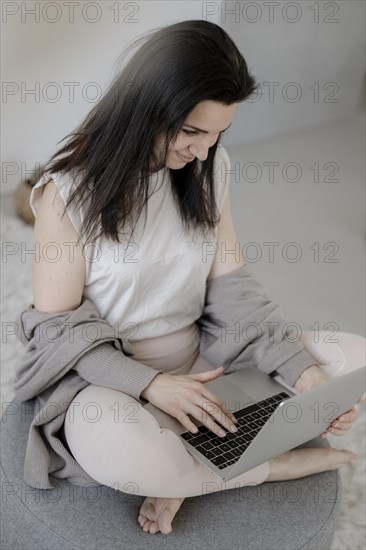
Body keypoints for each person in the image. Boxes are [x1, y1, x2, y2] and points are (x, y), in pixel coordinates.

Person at [27, 20, 364, 536]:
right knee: (116, 448)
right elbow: (58, 330)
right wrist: (154, 386)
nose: (203, 152)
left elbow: (233, 289)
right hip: (115, 383)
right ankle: (262, 467)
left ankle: (195, 465)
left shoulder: (209, 169)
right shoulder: (66, 194)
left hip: (206, 359)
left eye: (217, 134)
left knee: (351, 358)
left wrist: (306, 375)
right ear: (145, 108)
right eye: (191, 132)